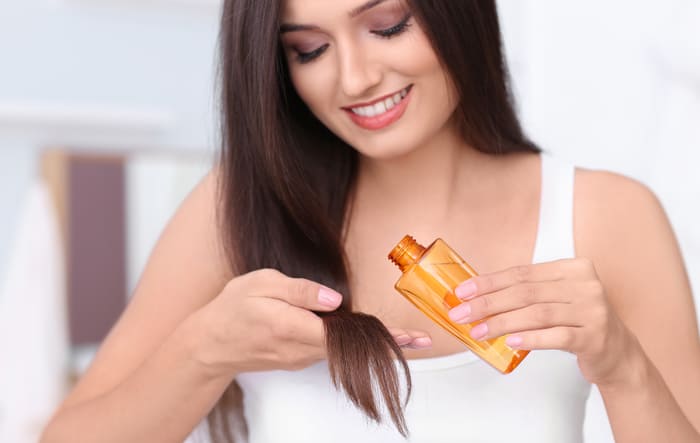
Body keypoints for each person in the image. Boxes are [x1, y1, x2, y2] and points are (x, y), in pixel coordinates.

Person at [41, 0, 700, 442]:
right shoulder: (236, 209)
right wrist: (203, 351)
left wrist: (623, 365)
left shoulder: (606, 216)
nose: (354, 78)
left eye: (386, 25)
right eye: (308, 50)